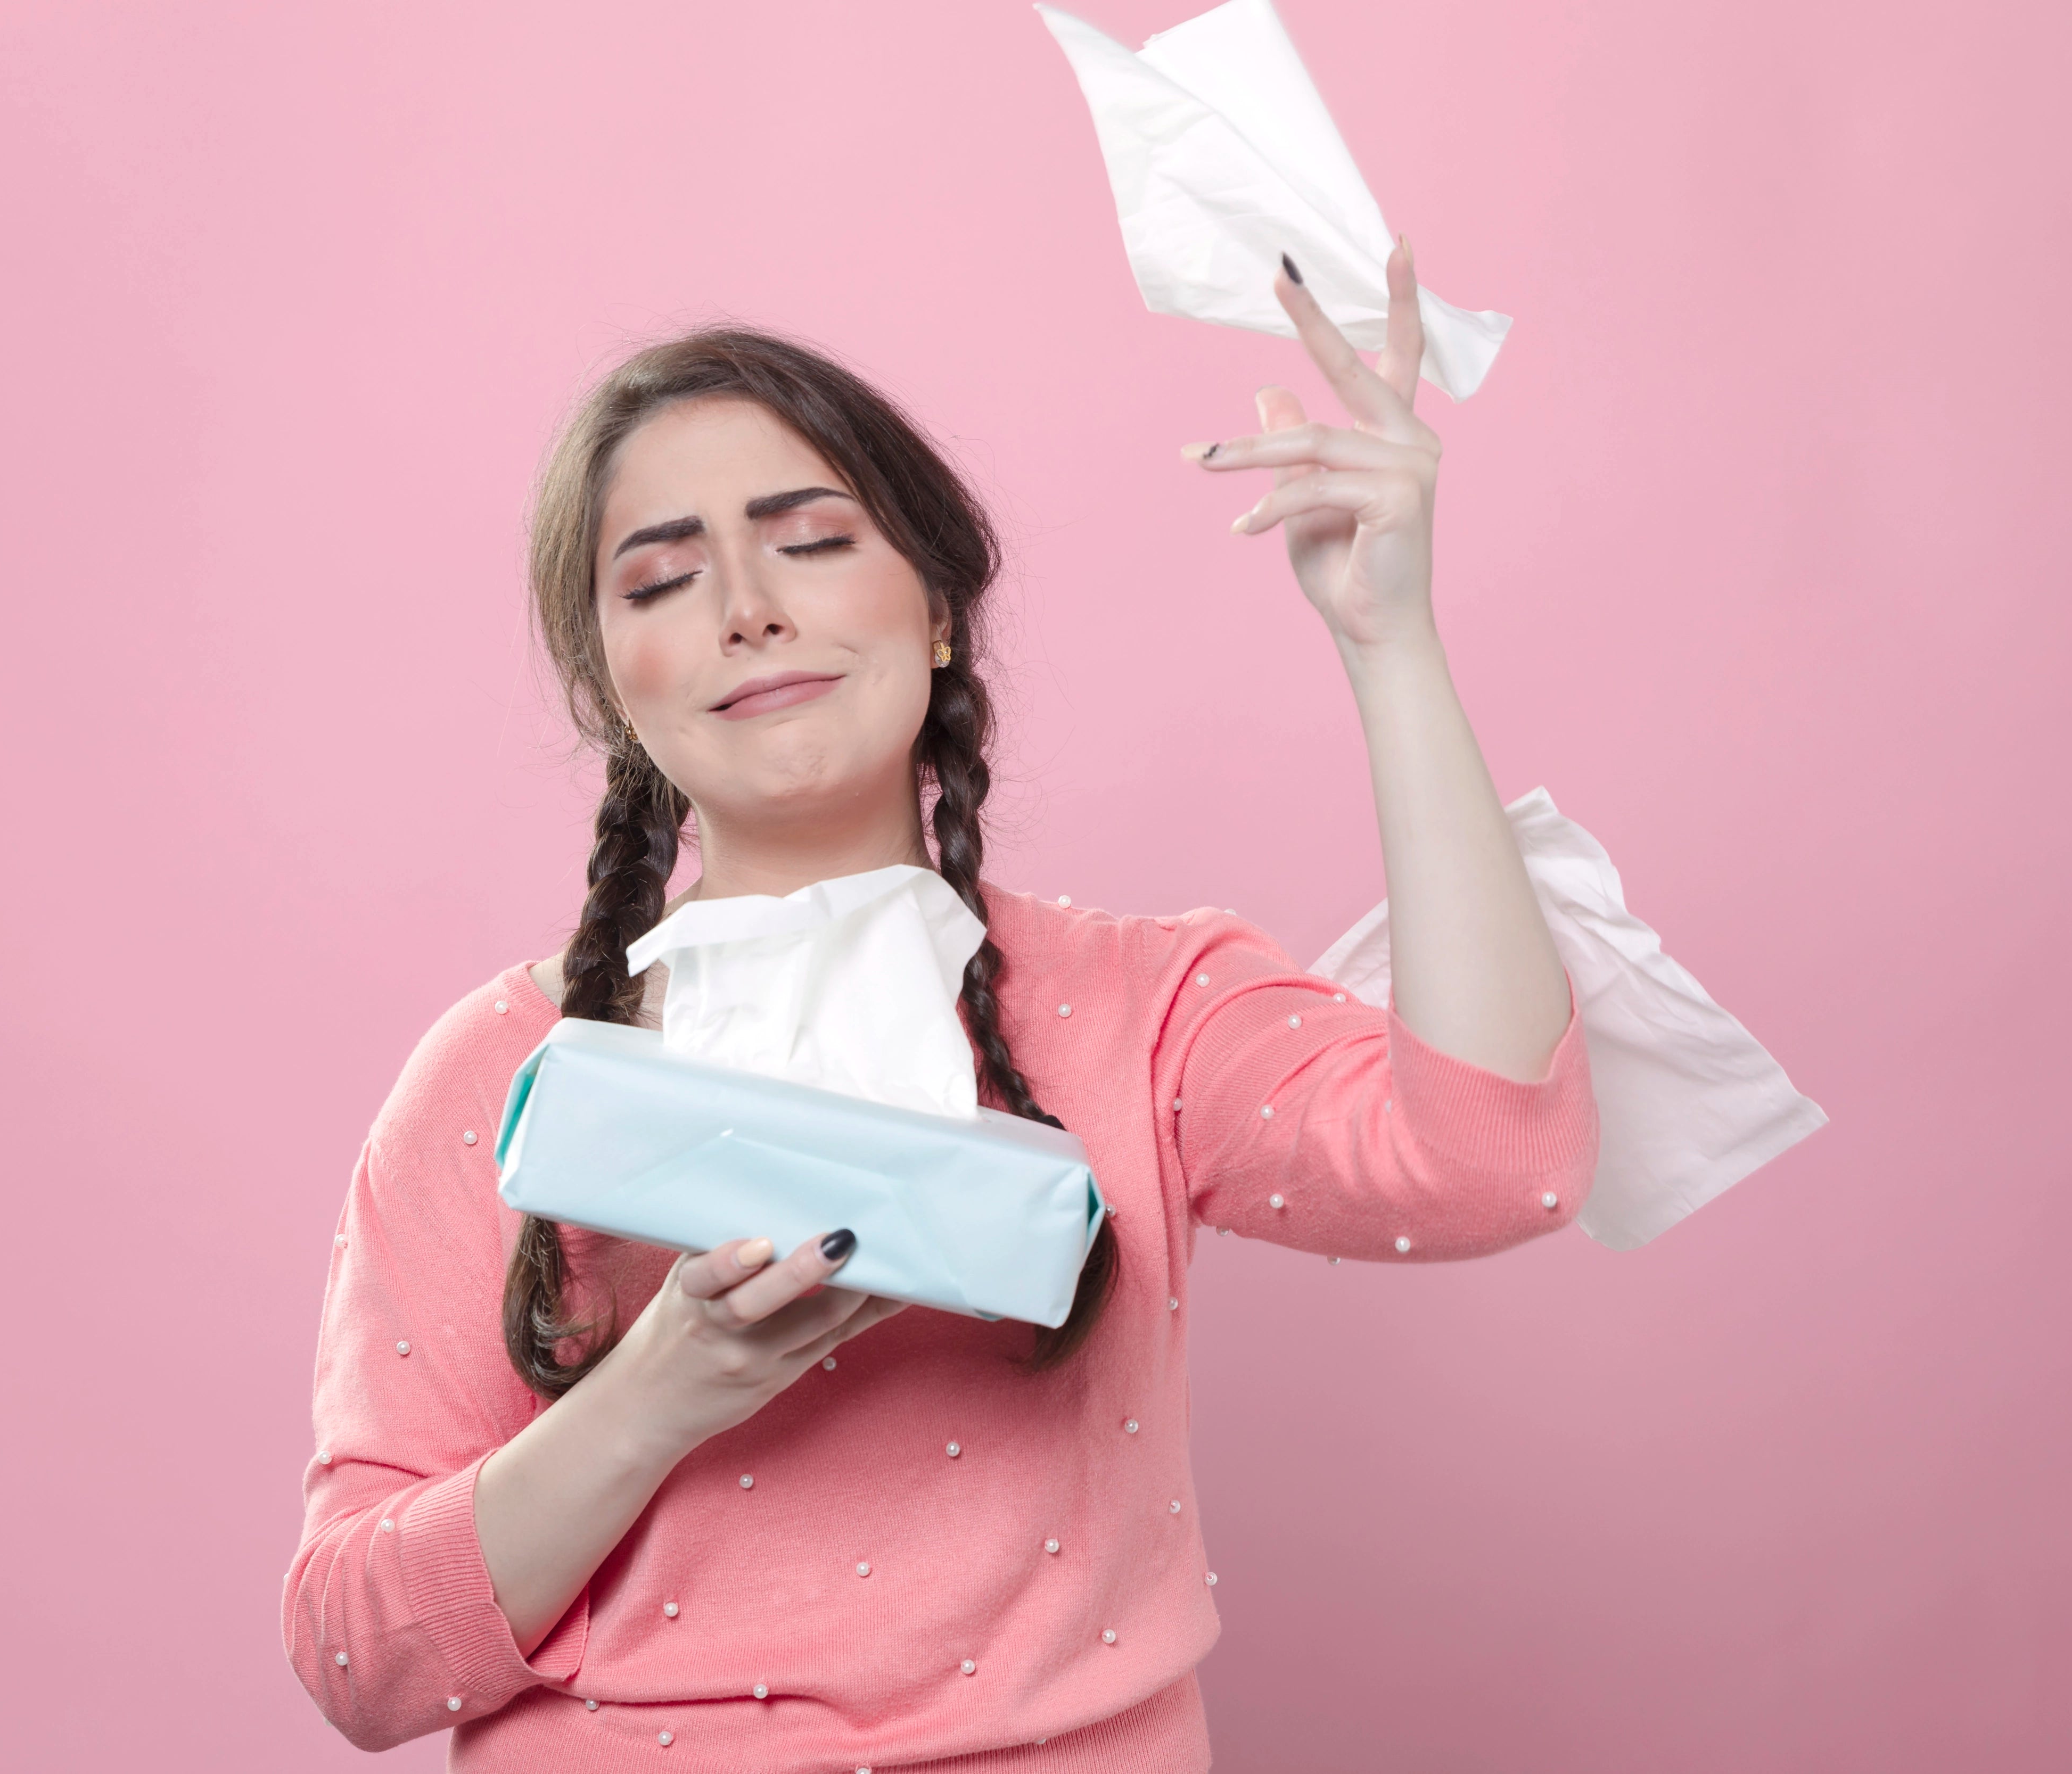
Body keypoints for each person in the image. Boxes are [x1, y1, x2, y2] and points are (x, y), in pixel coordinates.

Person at [283, 246, 1598, 1771]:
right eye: (663, 576)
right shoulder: (497, 1076)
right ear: (611, 690)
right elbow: (356, 1659)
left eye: (813, 542)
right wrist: (659, 1393)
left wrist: (1392, 641)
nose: (750, 610)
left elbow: (1500, 1163)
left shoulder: (1139, 1011)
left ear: (938, 614)